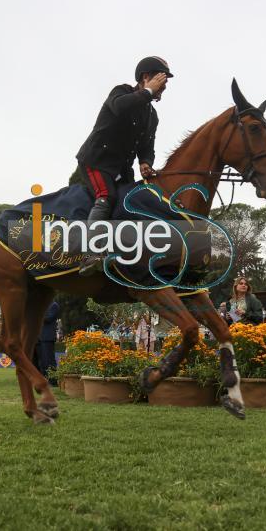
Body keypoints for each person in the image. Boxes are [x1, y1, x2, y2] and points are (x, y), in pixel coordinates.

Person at [76, 56, 172, 276]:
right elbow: (120, 108)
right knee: (106, 197)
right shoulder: (121, 92)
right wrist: (148, 92)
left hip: (121, 168)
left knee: (131, 204)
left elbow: (148, 145)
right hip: (97, 161)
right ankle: (90, 255)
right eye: (161, 79)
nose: (164, 86)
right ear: (146, 77)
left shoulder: (152, 115)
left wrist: (146, 162)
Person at [34, 301, 60, 386]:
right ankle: (42, 381)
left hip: (47, 338)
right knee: (40, 362)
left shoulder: (53, 305)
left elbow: (48, 318)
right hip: (38, 338)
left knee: (48, 361)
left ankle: (53, 381)